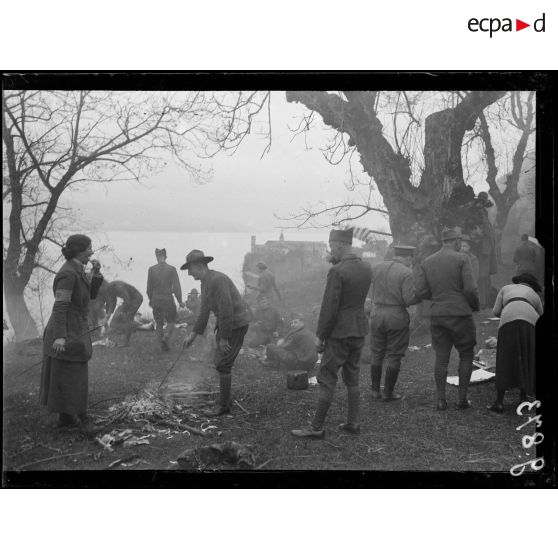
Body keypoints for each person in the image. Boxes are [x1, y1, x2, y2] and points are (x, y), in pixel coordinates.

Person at [291, 229, 372, 438]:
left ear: (339, 245)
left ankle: (316, 427)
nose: (330, 249)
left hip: (339, 333)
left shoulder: (337, 271)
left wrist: (320, 335)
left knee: (326, 378)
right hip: (358, 329)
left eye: (331, 244)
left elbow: (329, 307)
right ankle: (353, 423)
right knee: (352, 378)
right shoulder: (365, 267)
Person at [39, 234, 104, 435]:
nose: (92, 252)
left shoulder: (78, 270)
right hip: (66, 329)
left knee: (71, 371)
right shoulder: (68, 274)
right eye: (89, 248)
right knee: (71, 373)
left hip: (76, 327)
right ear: (79, 251)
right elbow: (60, 307)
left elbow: (89, 296)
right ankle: (82, 419)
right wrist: (59, 336)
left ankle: (66, 417)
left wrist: (97, 273)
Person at [414, 227, 480, 411]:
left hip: (438, 315)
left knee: (441, 357)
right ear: (457, 241)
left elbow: (420, 291)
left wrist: (436, 298)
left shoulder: (427, 261)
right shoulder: (462, 258)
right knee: (466, 354)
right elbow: (470, 290)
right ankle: (462, 400)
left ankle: (441, 400)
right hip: (460, 314)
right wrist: (473, 307)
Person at [182, 250, 251, 416]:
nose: (190, 273)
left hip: (236, 324)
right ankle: (224, 398)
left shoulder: (217, 280)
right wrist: (193, 335)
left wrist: (224, 338)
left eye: (190, 269)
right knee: (218, 360)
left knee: (223, 363)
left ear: (199, 266)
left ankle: (224, 406)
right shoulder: (205, 283)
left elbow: (227, 309)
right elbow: (204, 311)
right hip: (227, 324)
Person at [369, 245, 420, 401]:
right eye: (410, 259)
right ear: (407, 258)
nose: (411, 262)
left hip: (376, 313)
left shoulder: (377, 267)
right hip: (396, 315)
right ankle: (388, 393)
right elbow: (409, 299)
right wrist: (421, 294)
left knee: (377, 353)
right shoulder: (406, 272)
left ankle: (375, 391)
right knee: (394, 355)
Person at [488, 273, 543, 413]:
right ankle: (523, 398)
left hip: (508, 320)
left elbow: (495, 311)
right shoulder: (535, 296)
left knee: (504, 358)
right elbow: (540, 314)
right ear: (532, 285)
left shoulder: (506, 288)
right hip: (530, 323)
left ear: (518, 282)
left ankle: (499, 402)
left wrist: (510, 314)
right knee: (526, 356)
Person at [146, 248, 184, 352]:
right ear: (165, 257)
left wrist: (151, 299)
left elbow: (149, 288)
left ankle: (161, 345)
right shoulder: (172, 269)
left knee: (159, 323)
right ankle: (166, 337)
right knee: (172, 320)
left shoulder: (151, 269)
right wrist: (180, 300)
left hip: (156, 299)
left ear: (156, 257)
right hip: (167, 299)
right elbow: (177, 287)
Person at [104, 280, 144, 347]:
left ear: (110, 288)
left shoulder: (119, 287)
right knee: (114, 322)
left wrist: (121, 311)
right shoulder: (109, 289)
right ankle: (133, 326)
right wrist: (108, 314)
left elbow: (127, 300)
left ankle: (126, 342)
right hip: (129, 300)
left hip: (137, 299)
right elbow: (112, 302)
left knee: (127, 317)